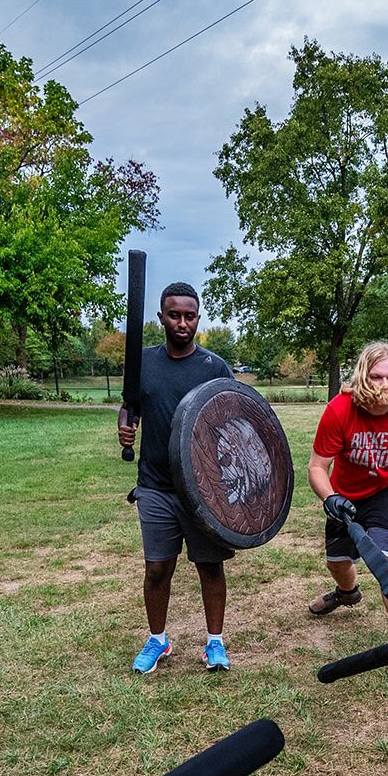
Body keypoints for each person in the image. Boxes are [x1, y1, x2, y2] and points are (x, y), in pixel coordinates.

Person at [117, 282, 236, 673]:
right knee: (157, 569)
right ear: (161, 318)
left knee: (209, 566)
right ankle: (157, 640)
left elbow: (233, 420)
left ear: (198, 318)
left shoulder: (214, 367)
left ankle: (215, 644)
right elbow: (129, 405)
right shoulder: (143, 362)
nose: (182, 322)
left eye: (189, 316)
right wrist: (125, 424)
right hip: (154, 485)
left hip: (203, 489)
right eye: (174, 315)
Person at [307, 340, 388, 677]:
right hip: (347, 494)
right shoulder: (340, 409)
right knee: (337, 562)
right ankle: (347, 593)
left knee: (384, 556)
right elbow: (316, 468)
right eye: (378, 377)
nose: (385, 385)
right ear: (364, 377)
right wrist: (330, 498)